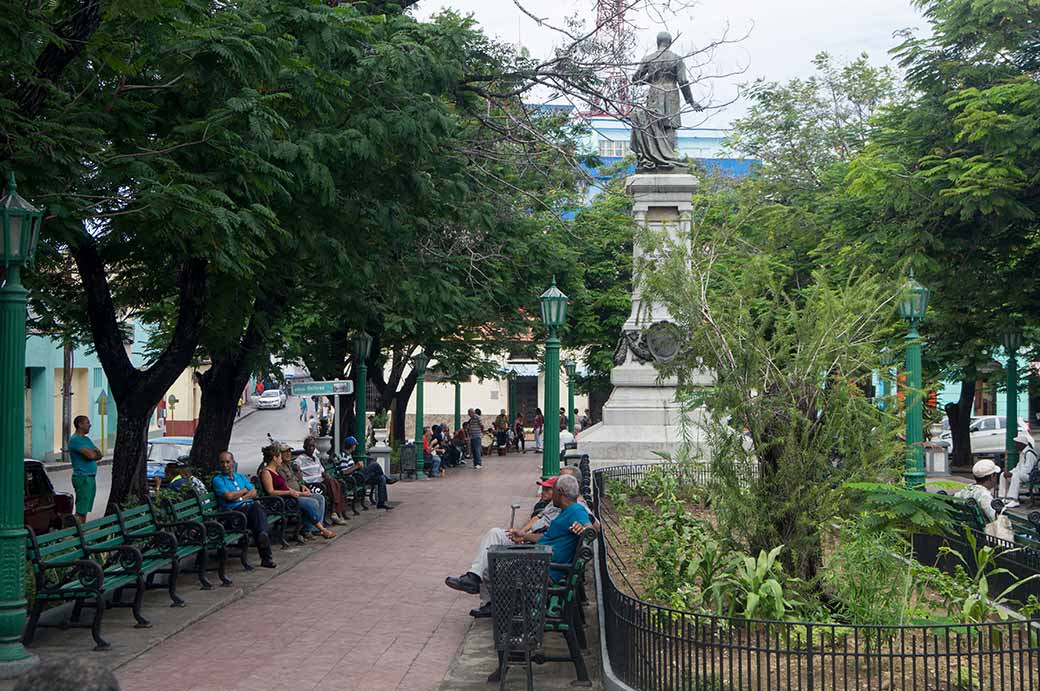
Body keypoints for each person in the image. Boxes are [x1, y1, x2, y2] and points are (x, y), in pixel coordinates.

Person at [445, 475, 591, 614]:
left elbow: (590, 527)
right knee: (492, 564)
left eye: (552, 490)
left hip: (545, 568)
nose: (549, 494)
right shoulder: (566, 510)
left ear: (560, 492)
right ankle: (494, 605)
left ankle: (503, 612)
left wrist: (584, 528)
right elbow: (547, 538)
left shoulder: (575, 510)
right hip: (541, 559)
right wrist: (523, 535)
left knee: (492, 569)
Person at [211, 451, 276, 568]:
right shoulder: (218, 480)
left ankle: (263, 536)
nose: (225, 465)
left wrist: (241, 497)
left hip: (248, 511)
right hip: (232, 515)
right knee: (257, 511)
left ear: (233, 462)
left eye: (227, 462)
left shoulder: (240, 477)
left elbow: (254, 492)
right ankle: (266, 556)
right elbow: (229, 496)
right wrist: (244, 491)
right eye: (222, 462)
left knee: (257, 515)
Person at [259, 444, 335, 539]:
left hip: (289, 496)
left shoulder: (275, 470)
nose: (281, 459)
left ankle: (314, 529)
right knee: (311, 503)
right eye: (279, 456)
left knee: (319, 497)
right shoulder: (266, 472)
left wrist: (300, 491)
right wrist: (291, 493)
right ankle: (321, 529)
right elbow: (271, 492)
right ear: (275, 458)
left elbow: (285, 486)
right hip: (281, 501)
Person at [297, 437, 348, 524]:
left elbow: (322, 471)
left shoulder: (316, 458)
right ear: (304, 447)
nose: (311, 448)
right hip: (312, 484)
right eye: (309, 446)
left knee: (335, 482)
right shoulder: (299, 460)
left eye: (313, 446)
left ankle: (334, 512)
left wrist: (326, 475)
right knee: (331, 483)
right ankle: (335, 512)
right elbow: (298, 475)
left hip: (321, 481)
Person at [341, 436, 395, 509]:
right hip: (352, 480)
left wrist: (357, 467)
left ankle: (382, 503)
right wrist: (356, 466)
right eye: (355, 445)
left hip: (356, 476)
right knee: (374, 465)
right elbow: (344, 472)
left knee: (381, 478)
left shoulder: (349, 455)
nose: (355, 447)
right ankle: (388, 479)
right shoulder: (343, 456)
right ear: (351, 446)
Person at [68, 415, 102, 523]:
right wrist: (93, 454)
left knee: (85, 508)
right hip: (83, 477)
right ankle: (78, 532)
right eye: (87, 423)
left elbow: (99, 454)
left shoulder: (86, 439)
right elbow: (91, 456)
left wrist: (94, 453)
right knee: (81, 509)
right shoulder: (75, 440)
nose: (90, 425)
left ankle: (81, 529)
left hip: (90, 477)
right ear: (80, 424)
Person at [955, 458, 1002, 523]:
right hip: (982, 531)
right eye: (995, 475)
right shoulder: (984, 496)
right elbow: (994, 519)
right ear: (992, 477)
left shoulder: (966, 490)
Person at [1000, 433, 1039, 507]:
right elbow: (1018, 467)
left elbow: (1027, 470)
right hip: (1022, 474)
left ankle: (1014, 500)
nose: (1015, 445)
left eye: (1017, 444)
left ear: (1022, 444)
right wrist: (1010, 472)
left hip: (1030, 476)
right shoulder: (1022, 453)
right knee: (1003, 475)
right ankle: (1004, 497)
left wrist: (1012, 474)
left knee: (1016, 476)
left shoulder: (1029, 454)